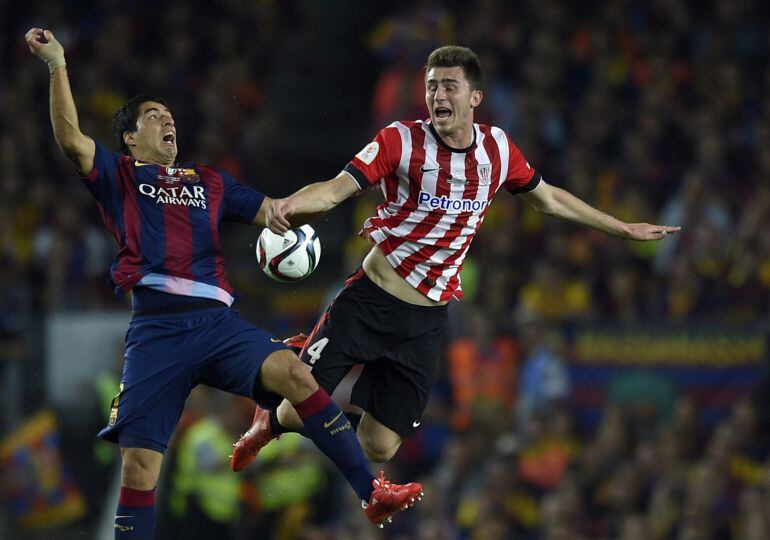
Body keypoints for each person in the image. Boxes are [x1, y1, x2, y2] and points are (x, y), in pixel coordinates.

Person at [25, 27, 422, 537]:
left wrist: (329, 199)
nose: (168, 120)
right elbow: (69, 140)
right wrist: (57, 64)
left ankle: (371, 493)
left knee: (298, 377)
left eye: (170, 116)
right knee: (141, 467)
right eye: (153, 116)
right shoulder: (118, 175)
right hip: (157, 331)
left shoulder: (210, 182)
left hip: (216, 323)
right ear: (129, 137)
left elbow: (275, 211)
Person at [231, 45, 680, 470]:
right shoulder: (399, 141)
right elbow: (333, 192)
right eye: (431, 86)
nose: (437, 95)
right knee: (295, 410)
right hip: (371, 301)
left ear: (475, 97)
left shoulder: (498, 150)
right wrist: (282, 205)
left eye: (449, 86)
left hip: (427, 320)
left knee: (380, 446)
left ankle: (292, 383)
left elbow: (549, 200)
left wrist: (622, 227)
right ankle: (268, 421)